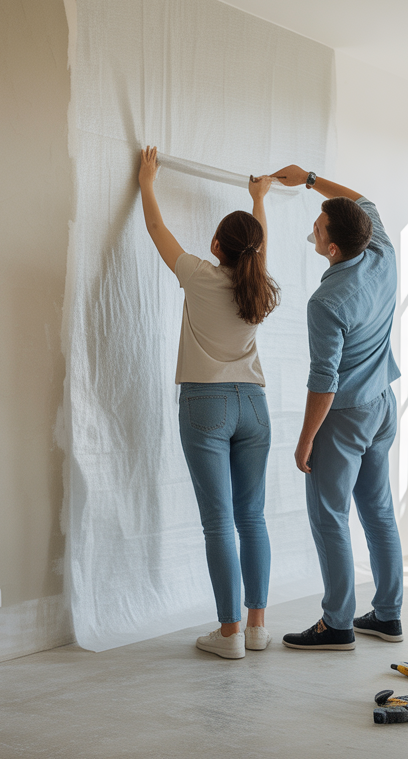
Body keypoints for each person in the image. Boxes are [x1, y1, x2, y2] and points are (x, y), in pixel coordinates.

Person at [137, 146, 281, 660]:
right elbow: (256, 248)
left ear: (217, 244)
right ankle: (259, 628)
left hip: (207, 406)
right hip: (255, 407)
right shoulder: (258, 285)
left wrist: (148, 183)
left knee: (219, 522)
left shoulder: (198, 275)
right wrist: (258, 198)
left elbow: (157, 232)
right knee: (253, 519)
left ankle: (229, 635)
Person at [269, 164, 404, 651]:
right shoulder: (383, 251)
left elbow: (323, 382)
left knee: (330, 516)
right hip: (384, 405)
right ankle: (387, 616)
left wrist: (305, 439)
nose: (315, 225)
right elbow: (362, 199)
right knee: (379, 512)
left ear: (330, 248)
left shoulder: (326, 301)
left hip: (345, 415)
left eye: (320, 225)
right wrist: (309, 180)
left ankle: (338, 623)